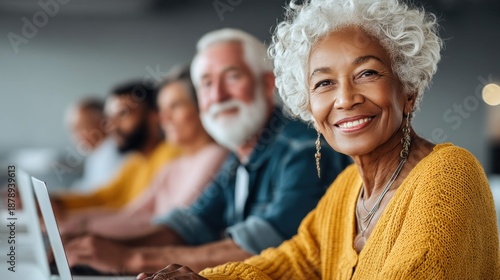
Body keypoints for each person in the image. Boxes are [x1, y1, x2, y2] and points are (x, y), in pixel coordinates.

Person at [141, 0, 500, 279]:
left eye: (367, 73)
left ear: (408, 91)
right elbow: (292, 262)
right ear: (309, 105)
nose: (345, 99)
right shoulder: (345, 189)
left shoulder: (448, 176)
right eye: (324, 83)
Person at [63, 28, 350, 275]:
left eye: (232, 77)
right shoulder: (239, 155)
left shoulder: (302, 149)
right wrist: (93, 246)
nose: (218, 96)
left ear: (265, 85)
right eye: (207, 84)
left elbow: (264, 248)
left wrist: (129, 259)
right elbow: (189, 224)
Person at [59, 66, 228, 239]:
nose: (164, 118)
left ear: (201, 106)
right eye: (162, 109)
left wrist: (82, 231)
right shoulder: (174, 164)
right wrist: (71, 226)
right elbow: (133, 214)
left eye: (175, 106)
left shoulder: (214, 154)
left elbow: (168, 227)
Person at [53, 82, 181, 213]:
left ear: (153, 116)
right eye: (110, 118)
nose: (112, 126)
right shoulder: (136, 162)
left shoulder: (172, 157)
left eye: (123, 114)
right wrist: (56, 201)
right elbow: (101, 198)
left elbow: (145, 215)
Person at [65, 97, 126, 193]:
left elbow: (101, 195)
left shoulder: (115, 153)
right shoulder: (97, 152)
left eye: (82, 127)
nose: (76, 136)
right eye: (73, 130)